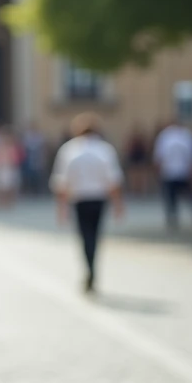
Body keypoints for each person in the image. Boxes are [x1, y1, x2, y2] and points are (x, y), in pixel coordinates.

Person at [50, 113, 125, 294]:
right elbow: (113, 180)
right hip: (98, 198)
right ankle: (92, 267)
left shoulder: (69, 150)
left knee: (85, 236)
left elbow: (61, 182)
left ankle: (89, 268)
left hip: (80, 199)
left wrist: (61, 208)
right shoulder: (105, 150)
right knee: (95, 235)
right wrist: (118, 205)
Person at [153, 119, 192, 230]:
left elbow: (159, 156)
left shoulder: (170, 136)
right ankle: (174, 216)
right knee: (175, 196)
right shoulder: (176, 135)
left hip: (178, 171)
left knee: (183, 195)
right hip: (174, 171)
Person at [125, 125, 151, 196]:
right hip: (134, 157)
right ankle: (135, 189)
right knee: (134, 175)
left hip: (140, 157)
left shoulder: (142, 141)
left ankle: (142, 190)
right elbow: (128, 148)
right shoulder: (132, 141)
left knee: (142, 175)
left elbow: (146, 148)